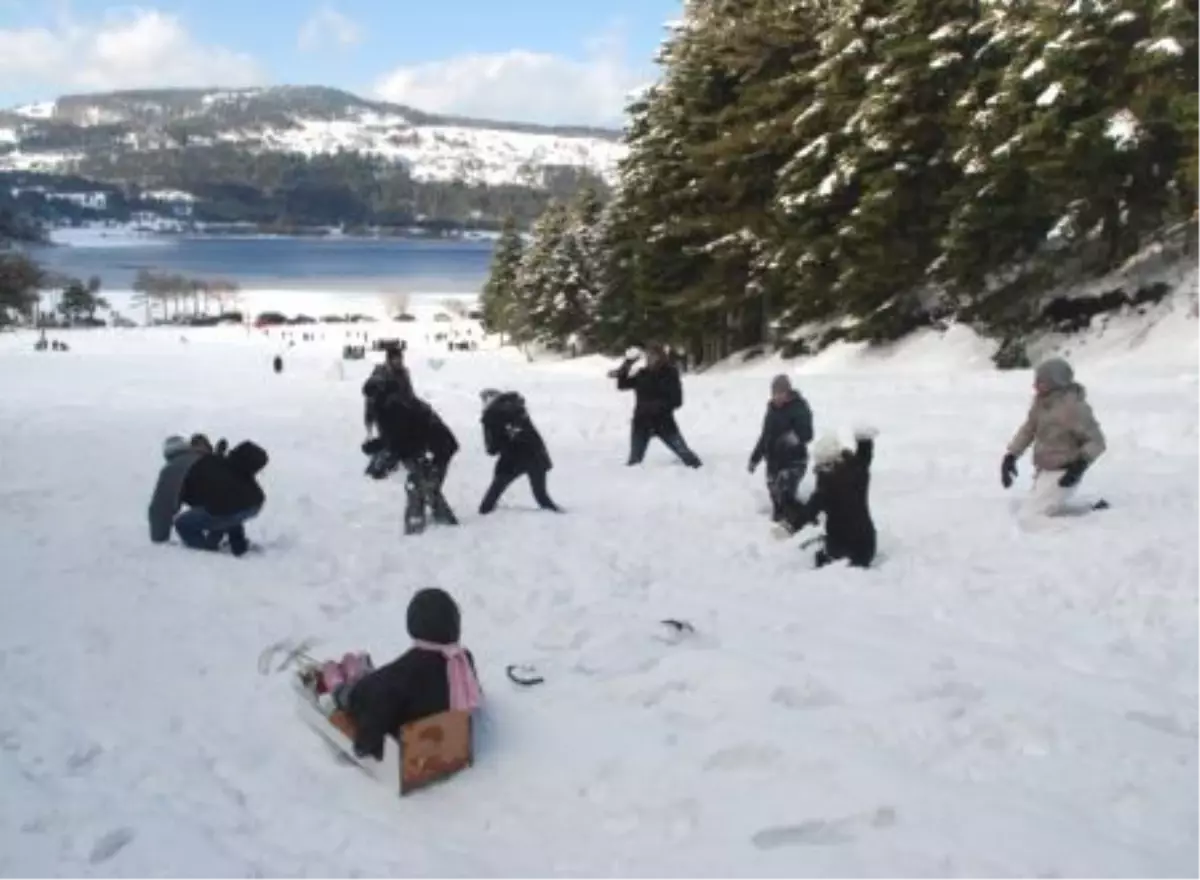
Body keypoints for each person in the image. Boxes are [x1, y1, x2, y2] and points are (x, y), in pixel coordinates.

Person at [319, 587, 483, 761]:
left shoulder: (403, 674)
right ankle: (360, 675)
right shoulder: (461, 661)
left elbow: (373, 727)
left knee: (354, 692)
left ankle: (340, 686)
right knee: (376, 682)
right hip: (405, 701)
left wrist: (362, 744)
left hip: (370, 701)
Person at [1001, 356, 1107, 515]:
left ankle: (1076, 532)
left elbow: (1097, 441)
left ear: (1055, 382)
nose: (1035, 385)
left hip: (1064, 471)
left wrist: (1079, 466)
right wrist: (1011, 456)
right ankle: (1088, 511)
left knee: (1031, 516)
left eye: (1041, 382)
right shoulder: (1041, 403)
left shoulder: (1074, 408)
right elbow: (1028, 429)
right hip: (1045, 469)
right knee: (1036, 508)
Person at [148, 435, 268, 556]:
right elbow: (227, 495)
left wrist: (159, 543)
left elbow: (161, 507)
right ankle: (232, 546)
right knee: (219, 510)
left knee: (183, 524)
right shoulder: (208, 458)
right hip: (254, 502)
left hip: (232, 506)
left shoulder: (174, 468)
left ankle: (207, 556)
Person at [775, 427, 878, 569]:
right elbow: (865, 453)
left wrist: (789, 528)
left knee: (819, 560)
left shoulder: (827, 486)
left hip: (844, 552)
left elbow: (809, 512)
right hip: (867, 547)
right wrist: (864, 438)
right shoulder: (857, 467)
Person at [614, 342, 701, 467]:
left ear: (661, 357)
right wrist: (627, 363)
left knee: (688, 458)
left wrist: (657, 406)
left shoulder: (670, 373)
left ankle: (700, 474)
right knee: (634, 462)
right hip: (641, 422)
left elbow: (677, 400)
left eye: (653, 355)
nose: (650, 359)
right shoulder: (642, 374)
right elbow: (622, 385)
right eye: (648, 356)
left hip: (663, 422)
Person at [477, 388, 560, 514]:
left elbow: (492, 450)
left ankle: (488, 522)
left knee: (486, 506)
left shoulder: (490, 417)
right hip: (537, 455)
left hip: (512, 461)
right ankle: (561, 517)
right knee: (542, 498)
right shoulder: (518, 409)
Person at [748, 374, 814, 521]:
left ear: (788, 392)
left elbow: (808, 433)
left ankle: (803, 518)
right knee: (774, 492)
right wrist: (755, 458)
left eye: (780, 393)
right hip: (774, 460)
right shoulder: (771, 410)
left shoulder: (799, 407)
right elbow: (765, 436)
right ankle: (779, 516)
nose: (777, 397)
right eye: (774, 393)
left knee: (785, 491)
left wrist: (793, 438)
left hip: (794, 460)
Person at [363, 342, 414, 440]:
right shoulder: (380, 371)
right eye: (395, 359)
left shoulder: (404, 373)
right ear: (389, 360)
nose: (398, 362)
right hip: (386, 414)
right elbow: (369, 391)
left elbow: (409, 393)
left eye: (399, 359)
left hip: (403, 413)